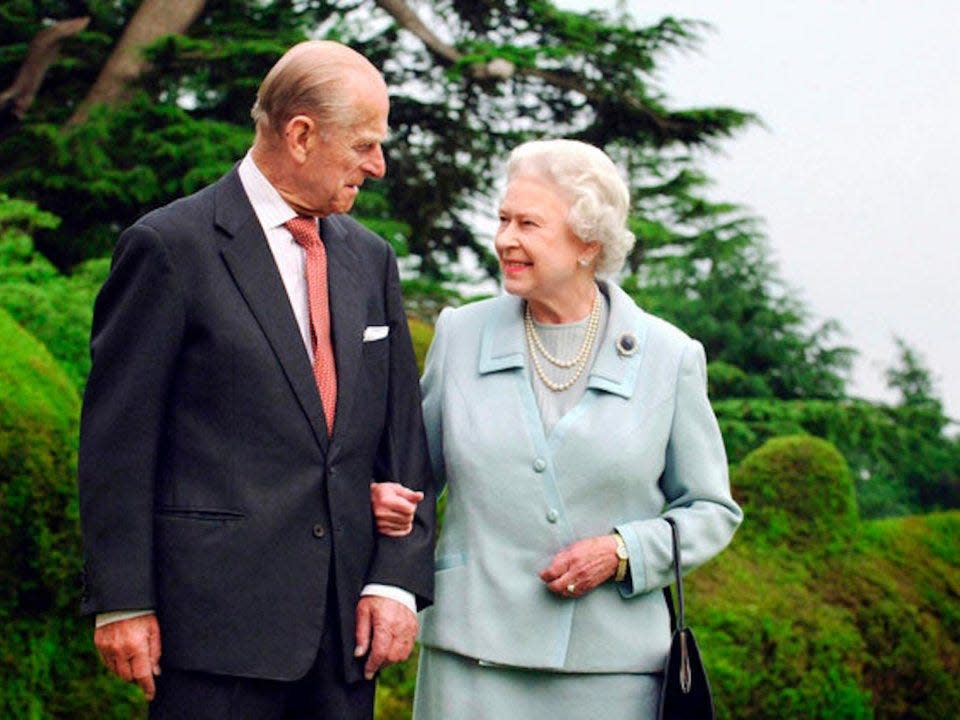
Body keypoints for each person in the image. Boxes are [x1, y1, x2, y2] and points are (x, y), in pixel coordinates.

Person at [77, 40, 435, 719]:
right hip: (213, 633)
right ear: (301, 135)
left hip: (344, 638)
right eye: (365, 144)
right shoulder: (168, 247)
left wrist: (396, 582)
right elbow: (117, 444)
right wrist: (122, 600)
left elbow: (402, 438)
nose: (379, 166)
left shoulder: (370, 259)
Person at [374, 138, 743, 719]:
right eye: (502, 219)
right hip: (470, 663)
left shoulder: (668, 356)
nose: (505, 240)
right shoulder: (460, 335)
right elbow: (411, 477)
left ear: (587, 243)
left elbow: (710, 510)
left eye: (528, 224)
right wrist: (383, 497)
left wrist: (623, 551)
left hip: (613, 674)